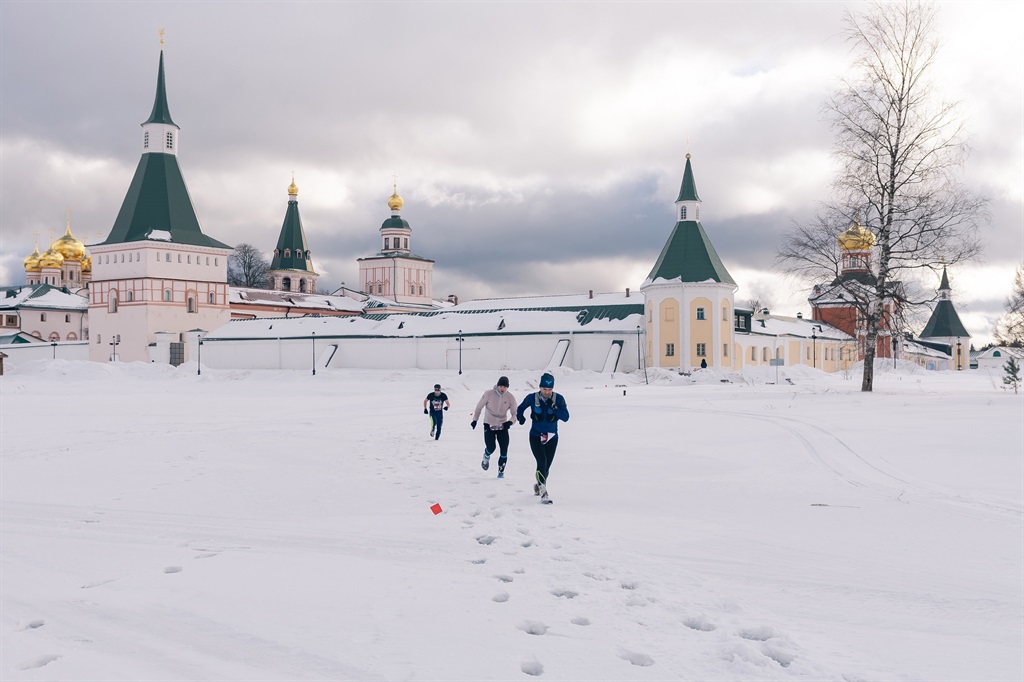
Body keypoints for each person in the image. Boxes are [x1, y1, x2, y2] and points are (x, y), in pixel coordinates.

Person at [515, 372, 569, 503]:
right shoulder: (532, 398)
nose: (547, 392)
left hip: (552, 437)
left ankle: (539, 485)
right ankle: (544, 491)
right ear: (540, 387)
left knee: (546, 468)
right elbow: (520, 408)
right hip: (535, 436)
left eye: (550, 389)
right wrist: (520, 417)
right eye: (544, 389)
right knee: (542, 461)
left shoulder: (559, 399)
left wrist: (555, 408)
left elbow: (566, 417)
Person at [471, 376, 517, 478]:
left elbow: (515, 414)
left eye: (504, 387)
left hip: (502, 425)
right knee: (491, 447)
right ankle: (486, 455)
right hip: (489, 424)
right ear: (497, 385)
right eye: (500, 386)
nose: (502, 389)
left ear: (507, 387)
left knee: (504, 450)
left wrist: (510, 423)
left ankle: (501, 473)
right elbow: (479, 407)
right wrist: (475, 420)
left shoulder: (510, 397)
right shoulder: (489, 394)